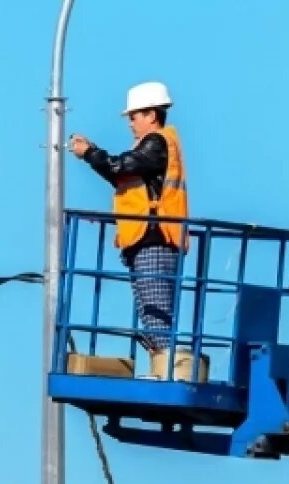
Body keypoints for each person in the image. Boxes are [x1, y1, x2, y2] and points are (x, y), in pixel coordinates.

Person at [68, 81, 189, 375]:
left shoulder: (157, 143)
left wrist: (90, 152)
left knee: (156, 311)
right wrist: (94, 156)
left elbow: (120, 166)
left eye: (134, 117)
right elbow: (121, 175)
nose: (130, 123)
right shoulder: (152, 147)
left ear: (151, 115)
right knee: (150, 312)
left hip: (154, 236)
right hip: (145, 237)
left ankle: (170, 372)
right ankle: (164, 369)